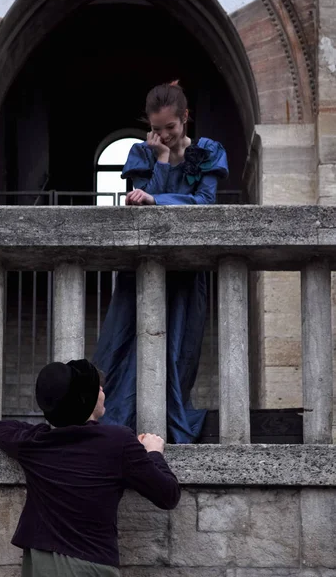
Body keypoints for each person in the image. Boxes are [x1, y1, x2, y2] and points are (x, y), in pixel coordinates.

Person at [93, 81, 228, 444]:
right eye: (157, 128)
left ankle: (160, 428)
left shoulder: (207, 153)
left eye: (171, 127)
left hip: (185, 272)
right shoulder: (143, 152)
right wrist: (163, 162)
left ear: (186, 118)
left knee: (180, 347)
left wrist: (157, 196)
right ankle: (118, 427)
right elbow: (140, 206)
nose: (164, 135)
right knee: (122, 344)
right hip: (141, 270)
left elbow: (204, 203)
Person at [0, 359, 180, 577]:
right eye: (98, 388)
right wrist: (154, 452)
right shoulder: (118, 441)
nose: (103, 391)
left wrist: (45, 431)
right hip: (90, 566)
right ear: (87, 399)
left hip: (41, 564)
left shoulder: (36, 444)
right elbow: (168, 494)